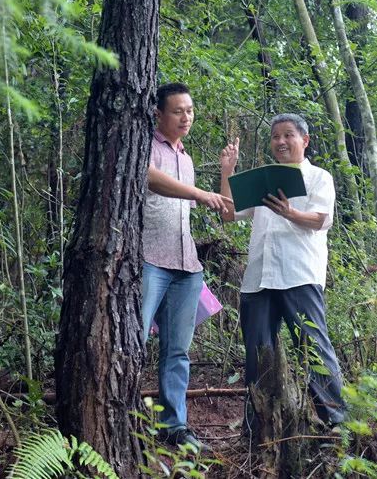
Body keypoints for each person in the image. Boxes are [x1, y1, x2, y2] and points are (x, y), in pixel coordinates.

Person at [218, 113, 347, 436]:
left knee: (312, 344)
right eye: (276, 136)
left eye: (288, 135)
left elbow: (321, 219)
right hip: (259, 276)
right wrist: (227, 172)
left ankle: (335, 420)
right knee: (258, 351)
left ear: (304, 140)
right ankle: (259, 425)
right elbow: (230, 212)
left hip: (299, 273)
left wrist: (290, 212)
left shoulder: (319, 177)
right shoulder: (263, 179)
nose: (281, 141)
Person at [142, 82, 231, 451]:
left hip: (186, 264)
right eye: (178, 111)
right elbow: (149, 178)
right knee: (131, 342)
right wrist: (198, 193)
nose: (186, 117)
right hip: (149, 259)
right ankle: (124, 419)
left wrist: (227, 171)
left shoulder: (187, 158)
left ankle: (174, 427)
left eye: (190, 110)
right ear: (160, 114)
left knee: (177, 350)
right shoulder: (145, 145)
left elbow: (224, 209)